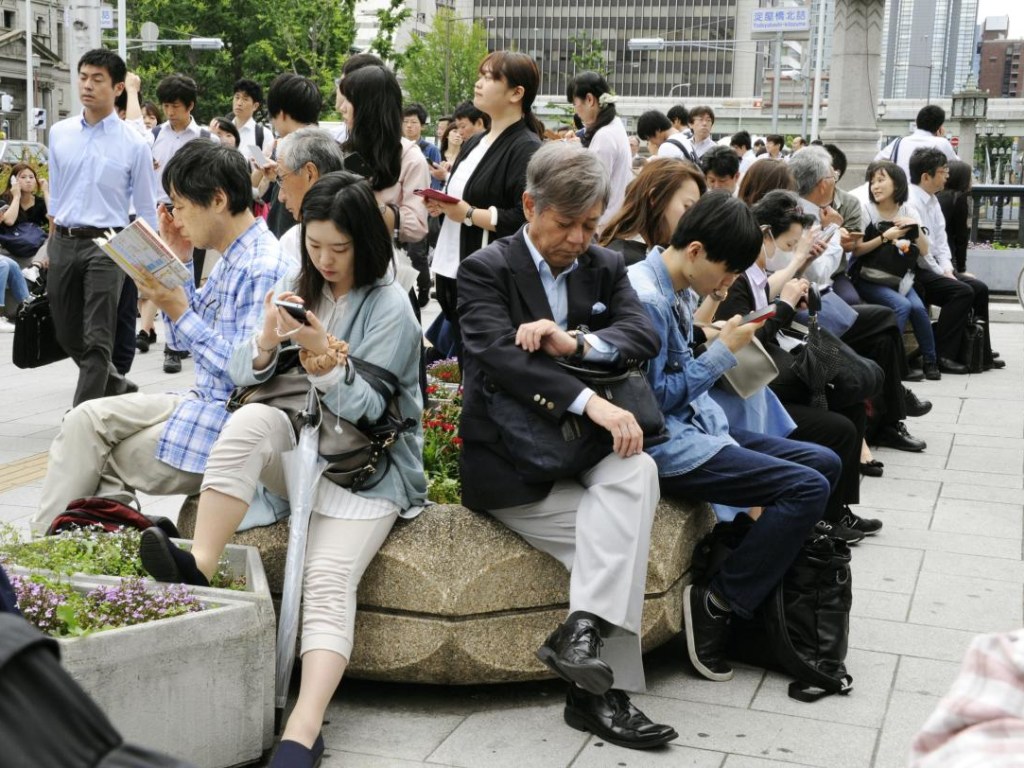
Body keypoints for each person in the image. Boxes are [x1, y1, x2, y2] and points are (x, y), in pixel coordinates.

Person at [138, 172, 425, 767]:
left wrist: (322, 359)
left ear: (365, 244)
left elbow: (373, 408)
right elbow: (248, 375)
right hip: (303, 454)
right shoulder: (301, 286)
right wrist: (269, 339)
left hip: (367, 472)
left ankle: (304, 726)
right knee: (245, 424)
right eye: (314, 246)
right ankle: (200, 564)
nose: (324, 260)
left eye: (339, 249)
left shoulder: (390, 305)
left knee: (325, 580)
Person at [457, 142, 676, 749]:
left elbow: (642, 335)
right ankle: (600, 695)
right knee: (623, 540)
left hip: (586, 457)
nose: (581, 238)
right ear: (530, 206)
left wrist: (574, 342)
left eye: (591, 224)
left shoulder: (604, 266)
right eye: (567, 224)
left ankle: (581, 644)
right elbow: (501, 361)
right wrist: (594, 402)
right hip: (512, 470)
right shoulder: (487, 270)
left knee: (637, 475)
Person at [627, 191, 840, 682]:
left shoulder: (673, 286)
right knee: (807, 486)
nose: (727, 283)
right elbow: (656, 404)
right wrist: (722, 350)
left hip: (698, 431)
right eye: (726, 272)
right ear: (696, 250)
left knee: (824, 464)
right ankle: (720, 602)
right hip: (670, 446)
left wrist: (712, 329)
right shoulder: (649, 298)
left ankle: (737, 564)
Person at [31, 139, 291, 536]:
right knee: (83, 420)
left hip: (226, 419)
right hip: (200, 402)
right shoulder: (238, 253)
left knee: (101, 457)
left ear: (217, 199)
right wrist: (180, 260)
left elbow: (244, 372)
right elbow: (193, 340)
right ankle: (63, 549)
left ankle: (49, 554)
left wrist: (177, 309)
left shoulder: (261, 265)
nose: (176, 217)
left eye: (180, 206)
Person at [718, 190, 881, 539]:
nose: (787, 252)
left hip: (768, 379)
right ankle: (821, 517)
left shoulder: (752, 274)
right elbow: (747, 342)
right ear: (763, 234)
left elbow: (761, 319)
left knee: (850, 404)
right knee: (840, 428)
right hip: (754, 387)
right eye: (787, 243)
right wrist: (786, 306)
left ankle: (838, 511)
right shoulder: (734, 279)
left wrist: (794, 283)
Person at [46, 48, 157, 406]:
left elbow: (144, 210)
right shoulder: (59, 133)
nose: (87, 85)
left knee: (98, 336)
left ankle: (81, 417)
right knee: (64, 329)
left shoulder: (134, 143)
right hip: (63, 240)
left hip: (109, 246)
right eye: (83, 77)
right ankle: (114, 382)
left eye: (97, 79)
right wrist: (49, 246)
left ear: (118, 87)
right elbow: (58, 195)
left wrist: (148, 268)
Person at [426, 50, 544, 359]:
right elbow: (463, 197)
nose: (479, 83)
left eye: (491, 78)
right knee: (466, 358)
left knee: (483, 363)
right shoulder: (477, 141)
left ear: (517, 93)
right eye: (481, 76)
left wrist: (466, 213)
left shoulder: (526, 147)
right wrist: (442, 206)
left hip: (489, 277)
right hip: (453, 266)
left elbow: (526, 218)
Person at [336, 64, 429, 307]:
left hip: (385, 276)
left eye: (349, 100)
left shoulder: (410, 158)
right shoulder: (340, 150)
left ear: (369, 107)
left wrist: (366, 202)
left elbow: (417, 226)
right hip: (337, 271)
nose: (342, 107)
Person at [148, 73, 214, 374]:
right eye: (166, 105)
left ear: (190, 106)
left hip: (192, 214)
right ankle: (172, 346)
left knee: (188, 279)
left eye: (175, 106)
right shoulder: (154, 135)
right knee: (165, 278)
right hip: (161, 212)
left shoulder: (204, 139)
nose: (170, 112)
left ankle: (186, 339)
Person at [850, 160, 940, 373]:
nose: (875, 186)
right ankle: (889, 364)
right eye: (872, 181)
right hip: (869, 277)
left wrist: (915, 227)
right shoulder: (867, 211)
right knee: (903, 306)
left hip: (900, 278)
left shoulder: (909, 210)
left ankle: (930, 361)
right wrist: (884, 237)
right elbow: (856, 250)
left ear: (897, 185)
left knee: (918, 308)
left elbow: (925, 251)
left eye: (881, 180)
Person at [908, 147, 980, 374]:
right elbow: (923, 251)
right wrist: (942, 273)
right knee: (961, 291)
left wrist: (948, 269)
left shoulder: (933, 200)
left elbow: (941, 242)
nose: (947, 176)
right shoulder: (911, 201)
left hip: (935, 268)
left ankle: (979, 351)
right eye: (943, 171)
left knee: (979, 288)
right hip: (917, 270)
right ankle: (942, 355)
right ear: (926, 176)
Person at [599, 158, 706, 265]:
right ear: (655, 197)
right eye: (687, 207)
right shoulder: (627, 260)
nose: (693, 218)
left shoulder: (654, 253)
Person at [259, 73, 323, 238]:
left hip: (291, 240)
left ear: (281, 113)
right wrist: (276, 178)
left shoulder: (290, 148)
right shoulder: (327, 146)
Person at [566, 71, 632, 229]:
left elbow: (591, 188)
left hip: (602, 226)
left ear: (589, 100)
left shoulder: (604, 136)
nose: (576, 111)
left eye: (575, 104)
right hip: (613, 220)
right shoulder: (614, 124)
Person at [273, 126, 346, 262]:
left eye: (282, 178)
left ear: (310, 174)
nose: (281, 197)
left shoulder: (293, 243)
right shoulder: (369, 231)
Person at [402, 101, 442, 303]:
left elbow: (436, 180)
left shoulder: (430, 150)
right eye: (406, 122)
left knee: (417, 253)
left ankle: (424, 287)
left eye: (414, 122)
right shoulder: (396, 147)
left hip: (422, 206)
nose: (409, 126)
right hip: (400, 207)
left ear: (422, 125)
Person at [876, 104, 957, 177]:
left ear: (917, 121)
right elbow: (958, 167)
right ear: (939, 128)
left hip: (901, 191)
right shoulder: (942, 143)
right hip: (927, 192)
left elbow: (876, 161)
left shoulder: (898, 142)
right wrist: (941, 138)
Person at [230, 78, 274, 157]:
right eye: (237, 97)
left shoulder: (262, 135)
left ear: (255, 106)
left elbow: (262, 165)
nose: (239, 103)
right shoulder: (222, 129)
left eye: (245, 99)